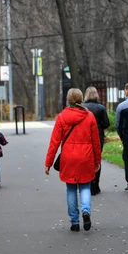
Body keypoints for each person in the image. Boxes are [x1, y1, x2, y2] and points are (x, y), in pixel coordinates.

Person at [45, 88, 101, 232]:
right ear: (81, 99)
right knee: (85, 187)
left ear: (68, 99)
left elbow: (54, 142)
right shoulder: (89, 116)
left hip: (68, 157)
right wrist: (97, 161)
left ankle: (75, 222)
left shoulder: (62, 117)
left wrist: (48, 163)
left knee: (71, 188)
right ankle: (86, 211)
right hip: (86, 156)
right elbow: (96, 142)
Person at [83, 86, 110, 195]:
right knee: (96, 160)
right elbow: (106, 123)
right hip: (98, 135)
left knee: (86, 159)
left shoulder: (83, 107)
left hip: (85, 135)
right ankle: (95, 185)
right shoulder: (101, 108)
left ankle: (87, 183)